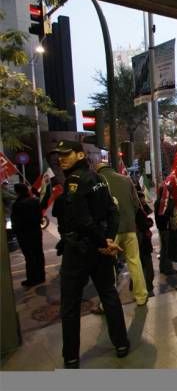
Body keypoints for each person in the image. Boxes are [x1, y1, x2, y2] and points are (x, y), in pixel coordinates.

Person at [52, 140, 129, 369]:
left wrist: (102, 241)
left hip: (79, 250)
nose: (61, 159)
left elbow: (82, 219)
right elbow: (112, 212)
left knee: (70, 304)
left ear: (79, 155)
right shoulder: (99, 179)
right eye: (59, 155)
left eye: (66, 154)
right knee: (109, 295)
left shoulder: (75, 181)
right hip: (99, 248)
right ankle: (121, 344)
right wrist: (108, 240)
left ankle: (72, 357)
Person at [97, 163, 148, 306]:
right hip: (130, 228)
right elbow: (137, 205)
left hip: (111, 232)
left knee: (109, 266)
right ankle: (141, 296)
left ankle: (107, 302)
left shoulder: (98, 180)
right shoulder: (126, 179)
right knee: (134, 262)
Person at [11, 183, 46, 287]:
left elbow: (17, 221)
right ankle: (41, 276)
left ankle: (32, 279)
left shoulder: (18, 204)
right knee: (38, 254)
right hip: (36, 231)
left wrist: (16, 231)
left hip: (25, 234)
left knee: (29, 257)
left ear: (17, 192)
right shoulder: (34, 201)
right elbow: (40, 216)